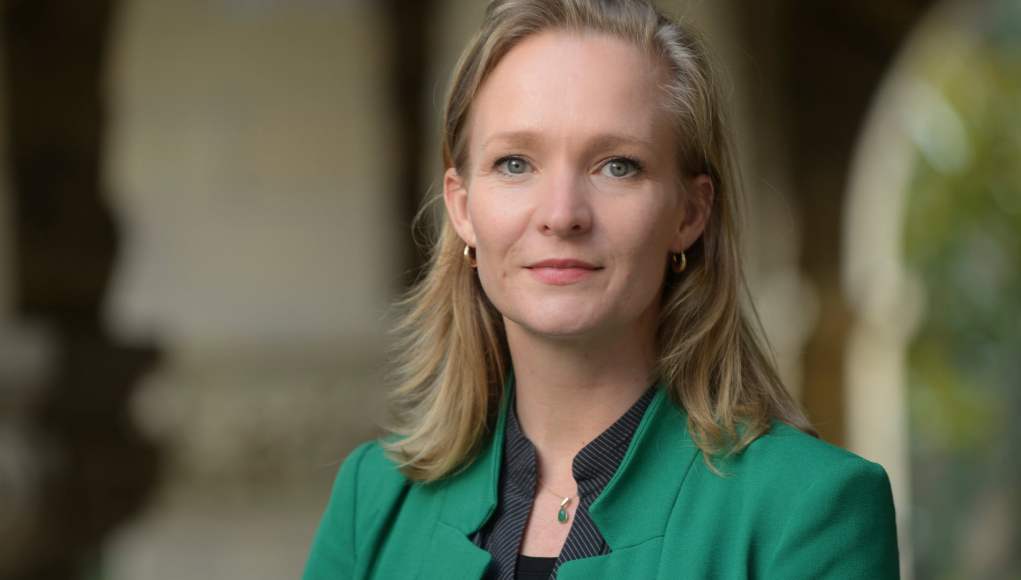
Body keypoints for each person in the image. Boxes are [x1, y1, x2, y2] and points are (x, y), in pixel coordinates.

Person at [303, 0, 900, 578]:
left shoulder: (810, 509)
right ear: (462, 208)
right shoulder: (373, 501)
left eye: (617, 165)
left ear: (690, 213)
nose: (561, 215)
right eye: (515, 163)